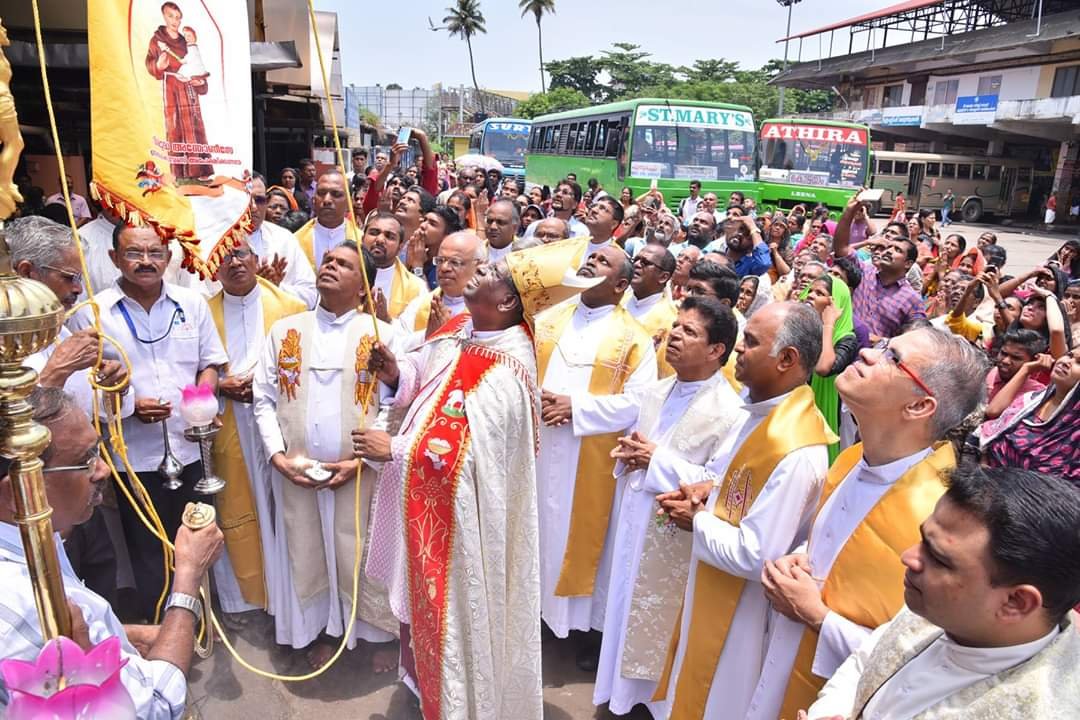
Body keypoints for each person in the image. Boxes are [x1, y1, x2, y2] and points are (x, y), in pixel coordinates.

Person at [358, 242, 601, 720]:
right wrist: (394, 373)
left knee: (454, 631)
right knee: (420, 629)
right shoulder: (461, 329)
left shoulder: (507, 371)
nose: (476, 271)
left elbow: (477, 465)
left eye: (489, 270)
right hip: (428, 517)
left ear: (508, 302)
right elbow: (424, 377)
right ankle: (424, 691)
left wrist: (399, 450)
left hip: (460, 538)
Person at [751, 328, 986, 720]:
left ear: (919, 406)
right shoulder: (853, 458)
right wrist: (798, 557)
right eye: (881, 346)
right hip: (780, 658)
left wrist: (818, 617)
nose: (866, 353)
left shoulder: (940, 520)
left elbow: (922, 659)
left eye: (893, 358)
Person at [542, 297, 742, 716]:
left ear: (716, 350)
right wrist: (622, 449)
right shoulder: (659, 389)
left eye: (690, 332)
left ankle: (648, 706)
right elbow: (628, 422)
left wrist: (656, 462)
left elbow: (718, 483)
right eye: (677, 326)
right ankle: (617, 699)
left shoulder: (730, 411)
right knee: (621, 613)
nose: (675, 336)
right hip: (635, 526)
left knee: (659, 635)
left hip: (673, 540)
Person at [653, 302, 833, 720]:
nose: (739, 350)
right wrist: (706, 489)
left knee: (718, 701)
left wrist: (695, 521)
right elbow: (730, 478)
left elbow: (757, 555)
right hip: (712, 583)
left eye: (751, 342)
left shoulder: (795, 448)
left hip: (742, 616)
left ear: (787, 359)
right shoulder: (755, 412)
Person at [0, 386, 225, 720]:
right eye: (83, 461)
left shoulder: (34, 548)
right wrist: (188, 576)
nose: (102, 471)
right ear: (20, 492)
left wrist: (122, 636)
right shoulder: (28, 608)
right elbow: (156, 708)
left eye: (98, 452)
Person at [807, 465, 1080, 720]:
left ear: (1015, 602)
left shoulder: (1047, 709)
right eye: (923, 539)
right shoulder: (943, 608)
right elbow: (866, 661)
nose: (909, 557)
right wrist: (830, 710)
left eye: (939, 558)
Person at [252, 240, 399, 670]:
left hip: (359, 473)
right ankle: (325, 631)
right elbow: (263, 398)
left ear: (364, 286)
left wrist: (361, 462)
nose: (330, 266)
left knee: (358, 552)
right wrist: (277, 455)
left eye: (344, 265)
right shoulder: (285, 331)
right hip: (297, 471)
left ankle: (374, 635)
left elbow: (397, 405)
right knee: (307, 548)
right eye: (328, 260)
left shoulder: (383, 336)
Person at [69, 224, 227, 622]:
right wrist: (128, 406)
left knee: (197, 535)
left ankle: (201, 621)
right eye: (134, 253)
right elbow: (81, 385)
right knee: (148, 547)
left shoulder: (191, 304)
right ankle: (163, 628)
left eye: (155, 253)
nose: (145, 262)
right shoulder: (93, 313)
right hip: (132, 457)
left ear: (169, 257)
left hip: (191, 447)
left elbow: (210, 363)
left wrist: (203, 399)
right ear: (113, 259)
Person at [536, 245, 657, 665]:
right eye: (591, 257)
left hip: (590, 457)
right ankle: (533, 615)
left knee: (586, 540)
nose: (591, 262)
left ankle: (582, 631)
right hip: (538, 447)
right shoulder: (547, 320)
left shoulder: (634, 340)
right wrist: (540, 402)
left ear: (621, 285)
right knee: (537, 529)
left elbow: (640, 404)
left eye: (603, 262)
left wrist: (577, 408)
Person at [207, 235, 307, 616]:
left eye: (241, 253)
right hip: (228, 421)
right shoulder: (203, 312)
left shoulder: (291, 307)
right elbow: (192, 371)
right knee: (237, 506)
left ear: (255, 258)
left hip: (280, 422)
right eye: (224, 256)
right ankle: (244, 600)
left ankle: (294, 596)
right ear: (212, 268)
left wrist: (268, 387)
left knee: (285, 507)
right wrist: (222, 385)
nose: (234, 262)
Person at [978, 345, 1080, 485]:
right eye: (1069, 355)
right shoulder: (1030, 401)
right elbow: (991, 419)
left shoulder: (1075, 434)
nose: (1066, 362)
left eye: (1079, 363)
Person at [834, 194, 926, 341]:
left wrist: (881, 341)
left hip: (876, 358)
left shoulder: (912, 299)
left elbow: (917, 339)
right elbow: (841, 248)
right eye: (888, 247)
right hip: (844, 348)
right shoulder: (864, 271)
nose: (889, 251)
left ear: (908, 263)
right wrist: (849, 211)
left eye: (897, 250)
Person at [145, 1, 212, 180]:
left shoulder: (186, 42)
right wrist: (158, 65)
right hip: (172, 90)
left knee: (195, 128)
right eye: (171, 16)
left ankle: (200, 172)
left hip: (189, 91)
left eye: (178, 17)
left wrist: (200, 83)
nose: (175, 21)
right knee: (174, 129)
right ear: (164, 16)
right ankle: (180, 174)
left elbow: (198, 68)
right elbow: (150, 64)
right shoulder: (157, 40)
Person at [395, 231, 484, 351]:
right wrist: (427, 334)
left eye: (455, 262)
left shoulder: (488, 310)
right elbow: (396, 345)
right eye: (440, 260)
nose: (444, 268)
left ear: (479, 266)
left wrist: (448, 333)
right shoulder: (420, 304)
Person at [802, 273, 858, 462]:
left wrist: (829, 323)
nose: (810, 295)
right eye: (810, 290)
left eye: (819, 293)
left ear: (835, 303)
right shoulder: (805, 330)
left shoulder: (847, 338)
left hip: (830, 415)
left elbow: (823, 368)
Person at [242, 174, 317, 308]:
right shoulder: (215, 243)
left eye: (259, 200)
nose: (253, 207)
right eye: (246, 199)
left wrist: (275, 288)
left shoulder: (284, 239)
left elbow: (310, 296)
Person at [622, 244, 679, 378]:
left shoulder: (671, 321)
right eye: (635, 260)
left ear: (663, 277)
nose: (636, 265)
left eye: (645, 262)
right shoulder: (615, 300)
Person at [361, 211, 426, 320]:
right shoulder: (342, 273)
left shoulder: (416, 287)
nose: (380, 240)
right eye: (374, 233)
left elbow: (413, 332)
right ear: (362, 239)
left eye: (389, 236)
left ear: (400, 247)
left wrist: (387, 321)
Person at [293, 169, 360, 270]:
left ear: (349, 202)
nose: (327, 200)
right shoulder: (295, 240)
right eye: (321, 193)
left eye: (336, 194)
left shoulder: (361, 240)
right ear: (313, 200)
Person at [522, 180, 588, 239]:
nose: (558, 194)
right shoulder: (535, 226)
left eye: (565, 193)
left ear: (575, 204)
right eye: (556, 191)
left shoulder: (581, 232)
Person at [483, 198, 519, 264]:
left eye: (500, 222)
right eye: (489, 221)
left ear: (515, 228)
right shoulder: (476, 250)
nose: (493, 227)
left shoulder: (524, 253)